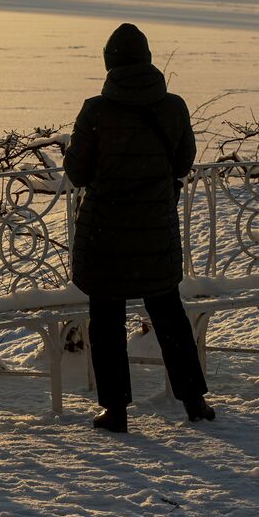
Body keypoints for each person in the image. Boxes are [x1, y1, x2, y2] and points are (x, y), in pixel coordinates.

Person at [63, 23, 215, 433]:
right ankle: (195, 402)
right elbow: (182, 163)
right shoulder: (174, 106)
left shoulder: (95, 110)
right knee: (170, 316)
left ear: (110, 64)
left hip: (105, 235)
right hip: (154, 232)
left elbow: (77, 172)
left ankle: (115, 411)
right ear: (148, 60)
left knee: (107, 321)